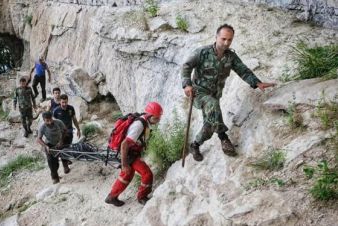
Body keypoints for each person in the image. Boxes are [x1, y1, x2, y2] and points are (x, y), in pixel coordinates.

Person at [181, 24, 276, 161]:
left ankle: (195, 145)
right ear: (216, 37)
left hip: (215, 93)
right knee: (213, 105)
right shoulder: (202, 52)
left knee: (209, 124)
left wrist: (256, 82)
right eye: (223, 39)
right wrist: (186, 84)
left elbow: (243, 70)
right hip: (199, 93)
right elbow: (186, 66)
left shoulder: (231, 57)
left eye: (229, 40)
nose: (226, 43)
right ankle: (224, 138)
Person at [105, 102, 163, 206]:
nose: (158, 120)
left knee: (128, 174)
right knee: (147, 173)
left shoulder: (145, 121)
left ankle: (111, 197)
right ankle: (142, 197)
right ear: (149, 116)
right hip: (129, 154)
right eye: (156, 118)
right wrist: (124, 164)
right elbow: (124, 144)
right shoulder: (139, 126)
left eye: (159, 118)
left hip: (132, 152)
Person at [52, 94, 81, 174]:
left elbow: (74, 119)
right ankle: (65, 166)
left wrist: (78, 129)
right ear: (60, 102)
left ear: (67, 101)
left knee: (68, 146)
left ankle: (66, 159)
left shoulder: (71, 108)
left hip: (69, 131)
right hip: (61, 133)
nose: (64, 104)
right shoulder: (56, 111)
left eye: (65, 102)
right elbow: (53, 123)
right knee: (62, 148)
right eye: (62, 102)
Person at [36, 111, 67, 184]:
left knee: (56, 163)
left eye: (50, 119)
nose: (50, 122)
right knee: (51, 163)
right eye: (47, 121)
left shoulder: (58, 122)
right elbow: (38, 139)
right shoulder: (42, 127)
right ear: (44, 120)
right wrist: (45, 146)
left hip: (59, 144)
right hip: (49, 146)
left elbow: (65, 130)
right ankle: (54, 178)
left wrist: (61, 141)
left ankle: (60, 170)